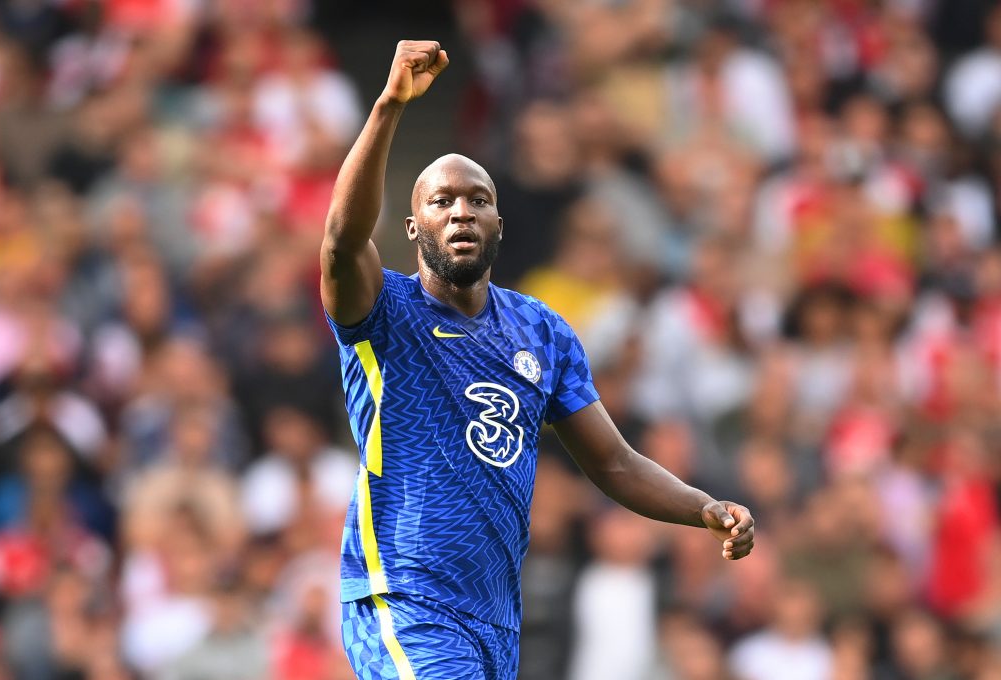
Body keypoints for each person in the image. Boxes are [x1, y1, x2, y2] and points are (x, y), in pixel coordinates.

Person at [321, 40, 756, 680]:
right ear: (413, 228)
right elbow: (340, 237)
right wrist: (389, 106)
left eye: (477, 199)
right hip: (404, 597)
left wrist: (702, 507)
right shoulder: (384, 312)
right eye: (441, 202)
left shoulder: (541, 331)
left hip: (495, 619)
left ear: (499, 222)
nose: (461, 210)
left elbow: (612, 460)